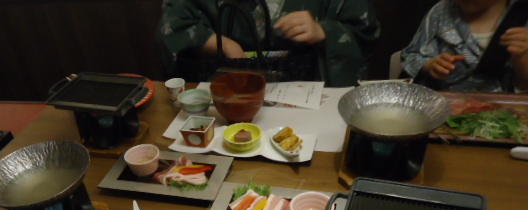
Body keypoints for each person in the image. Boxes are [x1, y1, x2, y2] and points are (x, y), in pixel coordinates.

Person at [158, 0, 380, 86]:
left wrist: (324, 31)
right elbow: (174, 25)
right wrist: (218, 43)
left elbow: (364, 32)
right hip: (227, 88)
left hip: (310, 86)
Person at [401, 0, 528, 92]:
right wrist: (429, 65)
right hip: (447, 104)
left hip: (505, 109)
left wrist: (522, 60)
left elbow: (523, 87)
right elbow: (411, 54)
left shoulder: (522, 16)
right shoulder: (441, 12)